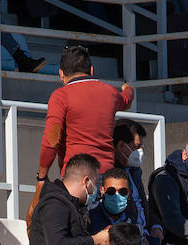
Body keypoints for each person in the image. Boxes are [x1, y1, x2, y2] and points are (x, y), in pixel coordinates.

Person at [34, 44, 133, 183]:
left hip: (75, 176)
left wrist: (42, 176)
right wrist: (128, 88)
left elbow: (52, 138)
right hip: (105, 176)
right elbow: (127, 99)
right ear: (91, 70)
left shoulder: (61, 96)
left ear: (61, 74)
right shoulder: (110, 93)